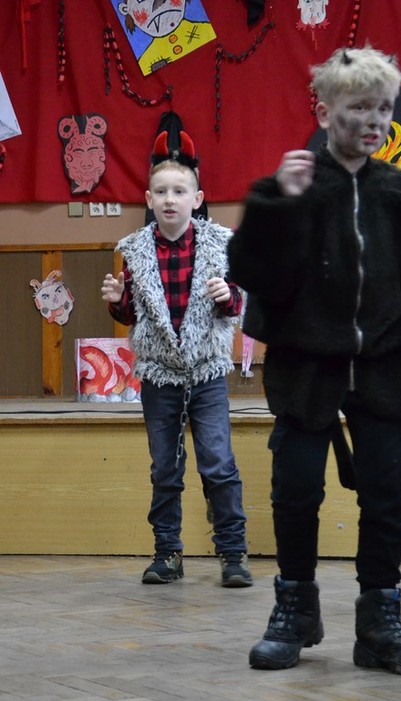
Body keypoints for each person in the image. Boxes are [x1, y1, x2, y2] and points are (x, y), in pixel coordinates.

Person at [227, 2, 401, 676]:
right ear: (325, 110)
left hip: (384, 364)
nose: (372, 121)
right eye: (358, 107)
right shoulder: (295, 183)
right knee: (296, 489)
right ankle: (294, 610)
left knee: (388, 493)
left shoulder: (394, 189)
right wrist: (278, 203)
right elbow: (254, 273)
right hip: (308, 365)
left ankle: (379, 622)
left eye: (383, 109)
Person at [101, 129, 252, 588]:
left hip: (206, 374)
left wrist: (228, 295)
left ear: (196, 199)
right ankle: (167, 553)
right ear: (149, 199)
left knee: (218, 464)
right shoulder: (134, 251)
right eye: (162, 192)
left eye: (180, 192)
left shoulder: (220, 244)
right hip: (159, 376)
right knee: (165, 469)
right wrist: (117, 301)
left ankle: (232, 553)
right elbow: (131, 314)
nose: (170, 200)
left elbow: (237, 304)